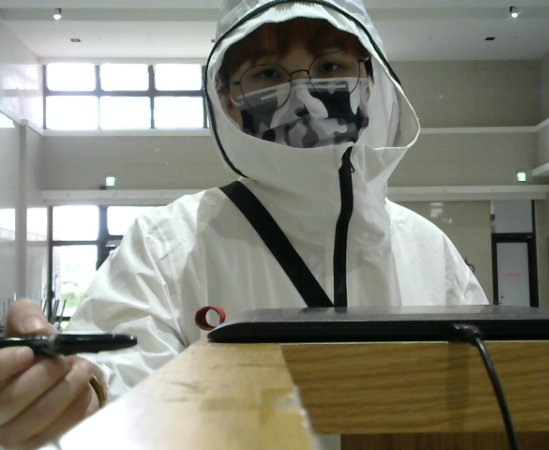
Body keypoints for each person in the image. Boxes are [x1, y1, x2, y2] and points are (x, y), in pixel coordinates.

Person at [0, 0, 488, 447]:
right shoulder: (165, 245)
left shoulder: (429, 250)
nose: (304, 96)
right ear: (228, 99)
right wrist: (69, 397)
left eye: (330, 67)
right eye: (268, 73)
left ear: (371, 79)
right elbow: (117, 377)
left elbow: (498, 392)